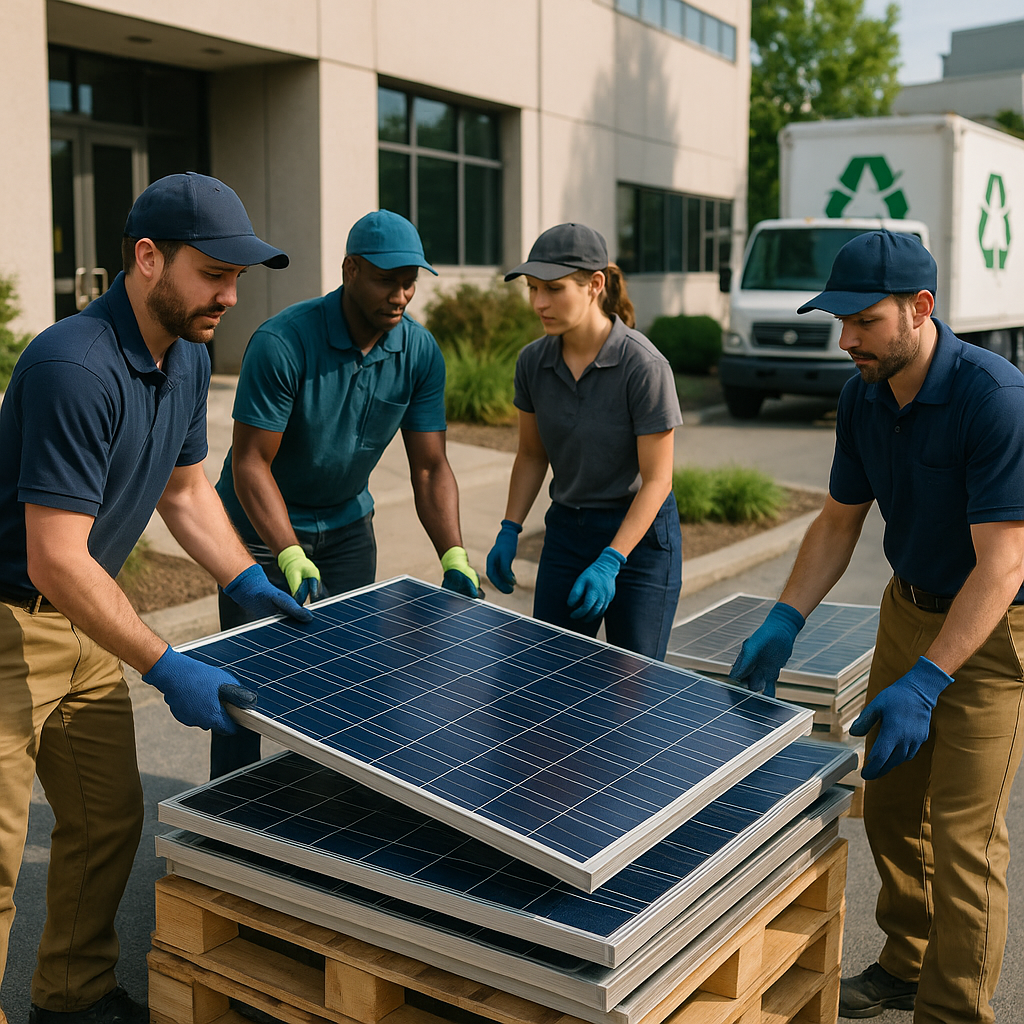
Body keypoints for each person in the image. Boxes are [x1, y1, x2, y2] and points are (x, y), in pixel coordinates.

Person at [0, 172, 314, 1024]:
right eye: (214, 272)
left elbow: (184, 494)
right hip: (10, 626)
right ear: (147, 259)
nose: (232, 294)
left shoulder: (188, 357)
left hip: (79, 621)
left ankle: (71, 997)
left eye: (239, 275)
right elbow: (56, 558)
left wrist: (245, 577)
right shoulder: (74, 366)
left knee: (107, 822)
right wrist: (166, 662)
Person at [728, 230, 1024, 1024]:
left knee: (964, 837)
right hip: (908, 606)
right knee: (891, 805)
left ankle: (954, 1012)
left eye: (863, 321)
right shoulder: (863, 395)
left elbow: (1003, 565)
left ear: (920, 310)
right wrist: (784, 617)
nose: (845, 339)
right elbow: (837, 521)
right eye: (840, 319)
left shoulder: (993, 400)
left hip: (995, 635)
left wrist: (929, 680)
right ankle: (905, 963)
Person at [211, 208, 481, 778]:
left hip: (347, 530)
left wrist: (453, 554)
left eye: (411, 280)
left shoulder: (419, 352)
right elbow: (251, 465)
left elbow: (430, 468)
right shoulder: (282, 343)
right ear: (350, 270)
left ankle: (333, 817)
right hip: (258, 534)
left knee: (348, 681)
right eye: (388, 278)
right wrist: (286, 552)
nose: (402, 294)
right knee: (249, 683)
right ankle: (227, 822)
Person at [485, 223, 682, 659]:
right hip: (567, 534)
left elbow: (657, 481)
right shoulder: (532, 362)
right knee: (550, 678)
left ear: (595, 285)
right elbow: (532, 455)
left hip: (641, 542)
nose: (539, 303)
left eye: (553, 289)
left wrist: (613, 559)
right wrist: (509, 528)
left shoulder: (644, 366)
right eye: (533, 289)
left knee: (633, 687)